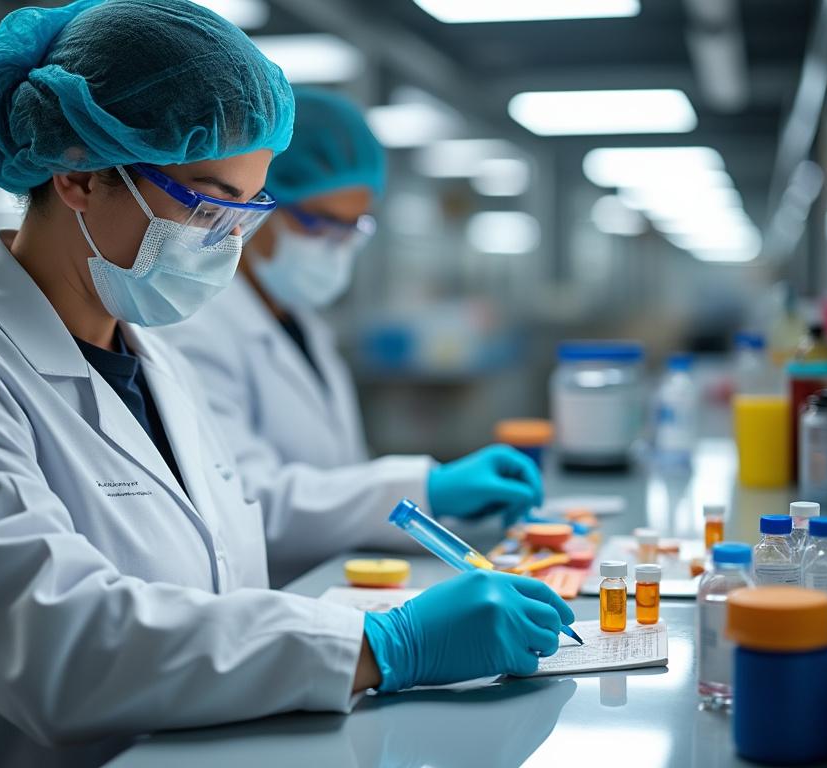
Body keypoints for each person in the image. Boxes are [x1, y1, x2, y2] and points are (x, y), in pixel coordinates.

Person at [0, 3, 572, 766]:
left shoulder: (156, 357)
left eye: (247, 208)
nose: (228, 242)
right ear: (80, 172)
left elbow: (216, 587)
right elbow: (64, 652)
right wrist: (380, 646)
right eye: (206, 201)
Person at [159, 87, 545, 585]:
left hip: (333, 576)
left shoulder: (301, 321)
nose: (336, 247)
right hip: (271, 595)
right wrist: (427, 486)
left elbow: (336, 478)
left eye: (352, 228)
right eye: (320, 224)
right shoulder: (196, 325)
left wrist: (429, 503)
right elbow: (248, 499)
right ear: (256, 204)